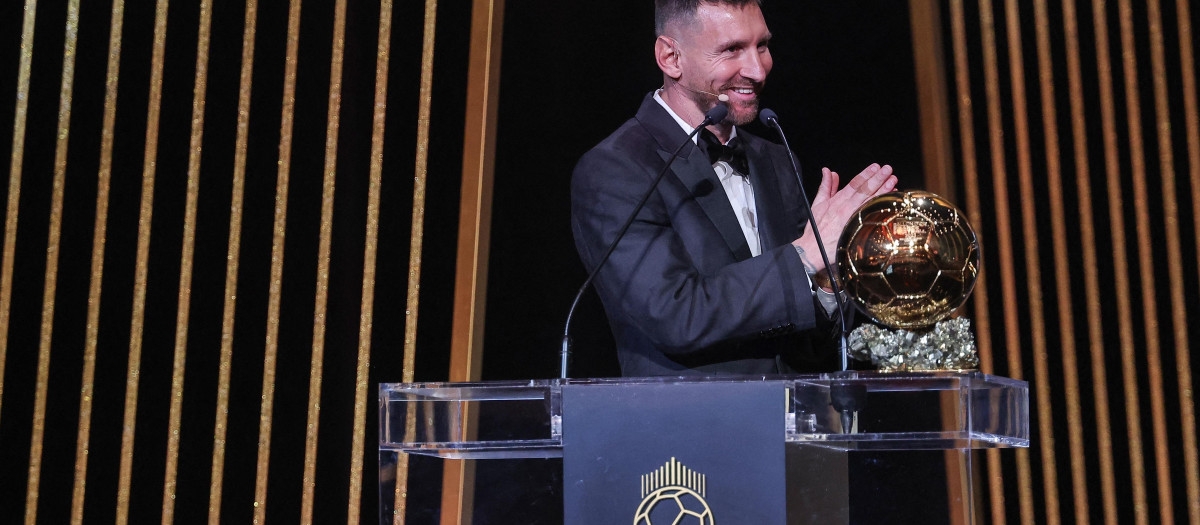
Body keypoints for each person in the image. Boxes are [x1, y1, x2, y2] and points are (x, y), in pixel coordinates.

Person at [571, 0, 897, 376]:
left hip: (792, 425)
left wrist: (828, 281)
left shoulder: (775, 158)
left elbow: (803, 344)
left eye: (762, 45)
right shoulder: (616, 167)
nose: (757, 70)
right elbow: (675, 315)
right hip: (690, 429)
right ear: (671, 57)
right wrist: (803, 256)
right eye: (731, 50)